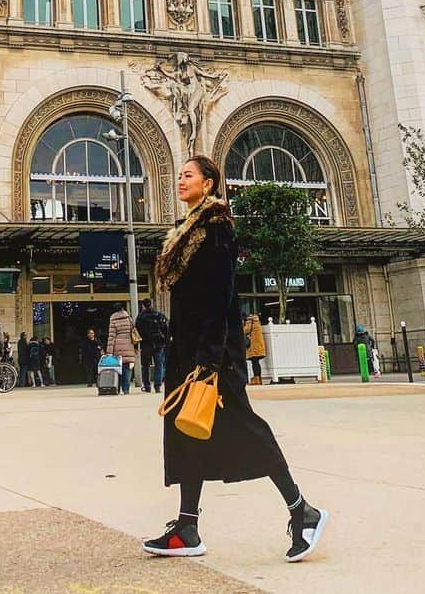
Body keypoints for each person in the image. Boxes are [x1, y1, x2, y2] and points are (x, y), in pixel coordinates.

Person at [142, 156, 328, 564]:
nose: (180, 180)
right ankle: (187, 527)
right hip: (188, 354)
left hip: (213, 357)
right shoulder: (186, 232)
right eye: (179, 175)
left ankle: (303, 513)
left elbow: (220, 296)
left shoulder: (216, 231)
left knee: (246, 430)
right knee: (188, 431)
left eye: (188, 175)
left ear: (208, 184)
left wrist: (209, 359)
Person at [135, 298, 169, 394]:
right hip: (159, 343)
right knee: (159, 364)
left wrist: (137, 344)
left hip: (146, 344)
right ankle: (157, 385)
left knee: (145, 365)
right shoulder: (159, 315)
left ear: (143, 306)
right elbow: (165, 328)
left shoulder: (140, 317)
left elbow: (137, 331)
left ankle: (147, 386)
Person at [105, 304, 137, 395]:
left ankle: (117, 388)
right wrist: (135, 348)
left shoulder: (113, 320)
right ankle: (126, 389)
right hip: (129, 346)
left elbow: (111, 337)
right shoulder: (129, 319)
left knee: (117, 369)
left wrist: (109, 351)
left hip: (117, 348)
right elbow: (133, 333)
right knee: (127, 369)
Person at [243, 309, 266, 386]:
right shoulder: (257, 321)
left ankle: (256, 379)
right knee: (256, 362)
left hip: (254, 345)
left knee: (254, 362)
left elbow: (246, 331)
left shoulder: (250, 321)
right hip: (258, 344)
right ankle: (258, 378)